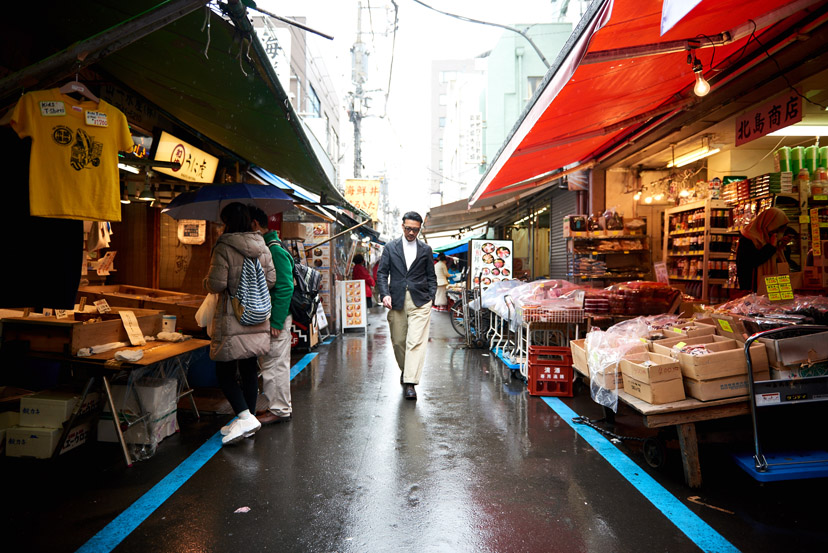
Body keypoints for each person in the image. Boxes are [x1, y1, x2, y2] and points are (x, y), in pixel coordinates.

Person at [205, 202, 276, 445]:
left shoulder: (223, 246)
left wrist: (207, 280)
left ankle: (245, 416)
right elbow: (271, 279)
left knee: (223, 371)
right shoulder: (262, 246)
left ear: (228, 222)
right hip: (256, 316)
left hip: (233, 317)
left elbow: (216, 284)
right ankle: (249, 416)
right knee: (248, 369)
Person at [376, 211, 437, 400]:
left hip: (420, 301)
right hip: (396, 300)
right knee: (398, 341)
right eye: (408, 228)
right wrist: (385, 294)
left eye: (415, 230)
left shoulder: (425, 249)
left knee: (415, 342)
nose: (411, 233)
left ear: (419, 229)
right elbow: (381, 273)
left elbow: (431, 276)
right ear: (402, 226)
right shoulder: (390, 247)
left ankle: (410, 382)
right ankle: (406, 370)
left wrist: (431, 298)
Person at [250, 207, 295, 425]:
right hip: (271, 318)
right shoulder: (270, 247)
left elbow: (286, 287)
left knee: (275, 364)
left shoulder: (274, 250)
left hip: (277, 319)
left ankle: (279, 409)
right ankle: (277, 406)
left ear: (255, 225)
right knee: (272, 364)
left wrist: (277, 320)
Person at [736, 207, 790, 292]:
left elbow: (780, 262)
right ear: (770, 223)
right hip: (753, 288)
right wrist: (771, 247)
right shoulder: (748, 238)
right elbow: (750, 262)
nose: (779, 232)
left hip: (773, 288)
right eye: (778, 227)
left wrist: (781, 246)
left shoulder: (770, 237)